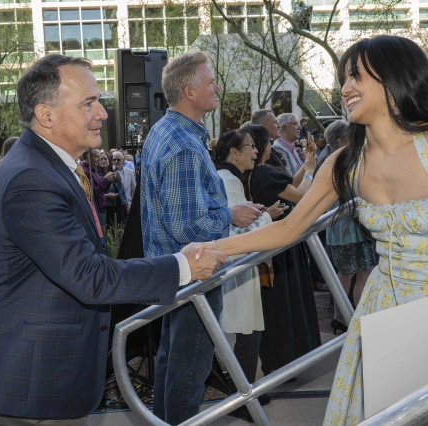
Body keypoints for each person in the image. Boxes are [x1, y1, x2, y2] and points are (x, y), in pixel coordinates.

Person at [192, 35, 428, 424]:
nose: (345, 88)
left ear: (396, 80)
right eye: (344, 77)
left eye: (357, 76)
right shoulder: (345, 163)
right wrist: (214, 246)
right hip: (383, 311)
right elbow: (288, 229)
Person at [0, 54, 228, 426]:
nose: (103, 114)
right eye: (88, 103)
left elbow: (41, 260)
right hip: (41, 387)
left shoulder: (46, 165)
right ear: (46, 115)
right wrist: (184, 266)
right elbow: (91, 277)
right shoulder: (31, 178)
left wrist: (0, 298)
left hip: (50, 378)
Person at [140, 51, 263, 425]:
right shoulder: (182, 145)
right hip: (192, 274)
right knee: (188, 367)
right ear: (190, 91)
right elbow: (187, 228)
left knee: (172, 360)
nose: (217, 87)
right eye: (211, 82)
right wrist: (231, 214)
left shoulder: (167, 131)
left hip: (173, 272)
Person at [213, 129, 287, 421]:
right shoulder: (228, 180)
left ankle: (245, 390)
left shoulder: (229, 178)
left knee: (247, 330)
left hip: (238, 263)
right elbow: (240, 225)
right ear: (233, 152)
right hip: (238, 265)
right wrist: (268, 217)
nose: (255, 152)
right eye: (250, 147)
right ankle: (242, 397)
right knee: (246, 331)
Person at [243, 123, 322, 378]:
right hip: (281, 247)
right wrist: (311, 170)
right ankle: (285, 361)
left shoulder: (257, 173)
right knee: (285, 305)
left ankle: (280, 361)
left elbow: (289, 183)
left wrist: (306, 165)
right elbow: (301, 195)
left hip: (273, 243)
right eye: (264, 142)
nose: (263, 148)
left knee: (278, 305)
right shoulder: (263, 174)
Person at [323, 120, 378, 335]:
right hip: (350, 227)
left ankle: (342, 318)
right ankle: (356, 318)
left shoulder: (330, 160)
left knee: (347, 274)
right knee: (361, 273)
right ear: (342, 141)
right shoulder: (343, 160)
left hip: (341, 229)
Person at [81, 148, 116, 228]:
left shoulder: (92, 169)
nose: (99, 160)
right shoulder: (85, 171)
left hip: (101, 208)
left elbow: (100, 189)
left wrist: (109, 180)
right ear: (88, 157)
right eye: (97, 157)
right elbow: (92, 193)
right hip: (95, 210)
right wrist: (106, 180)